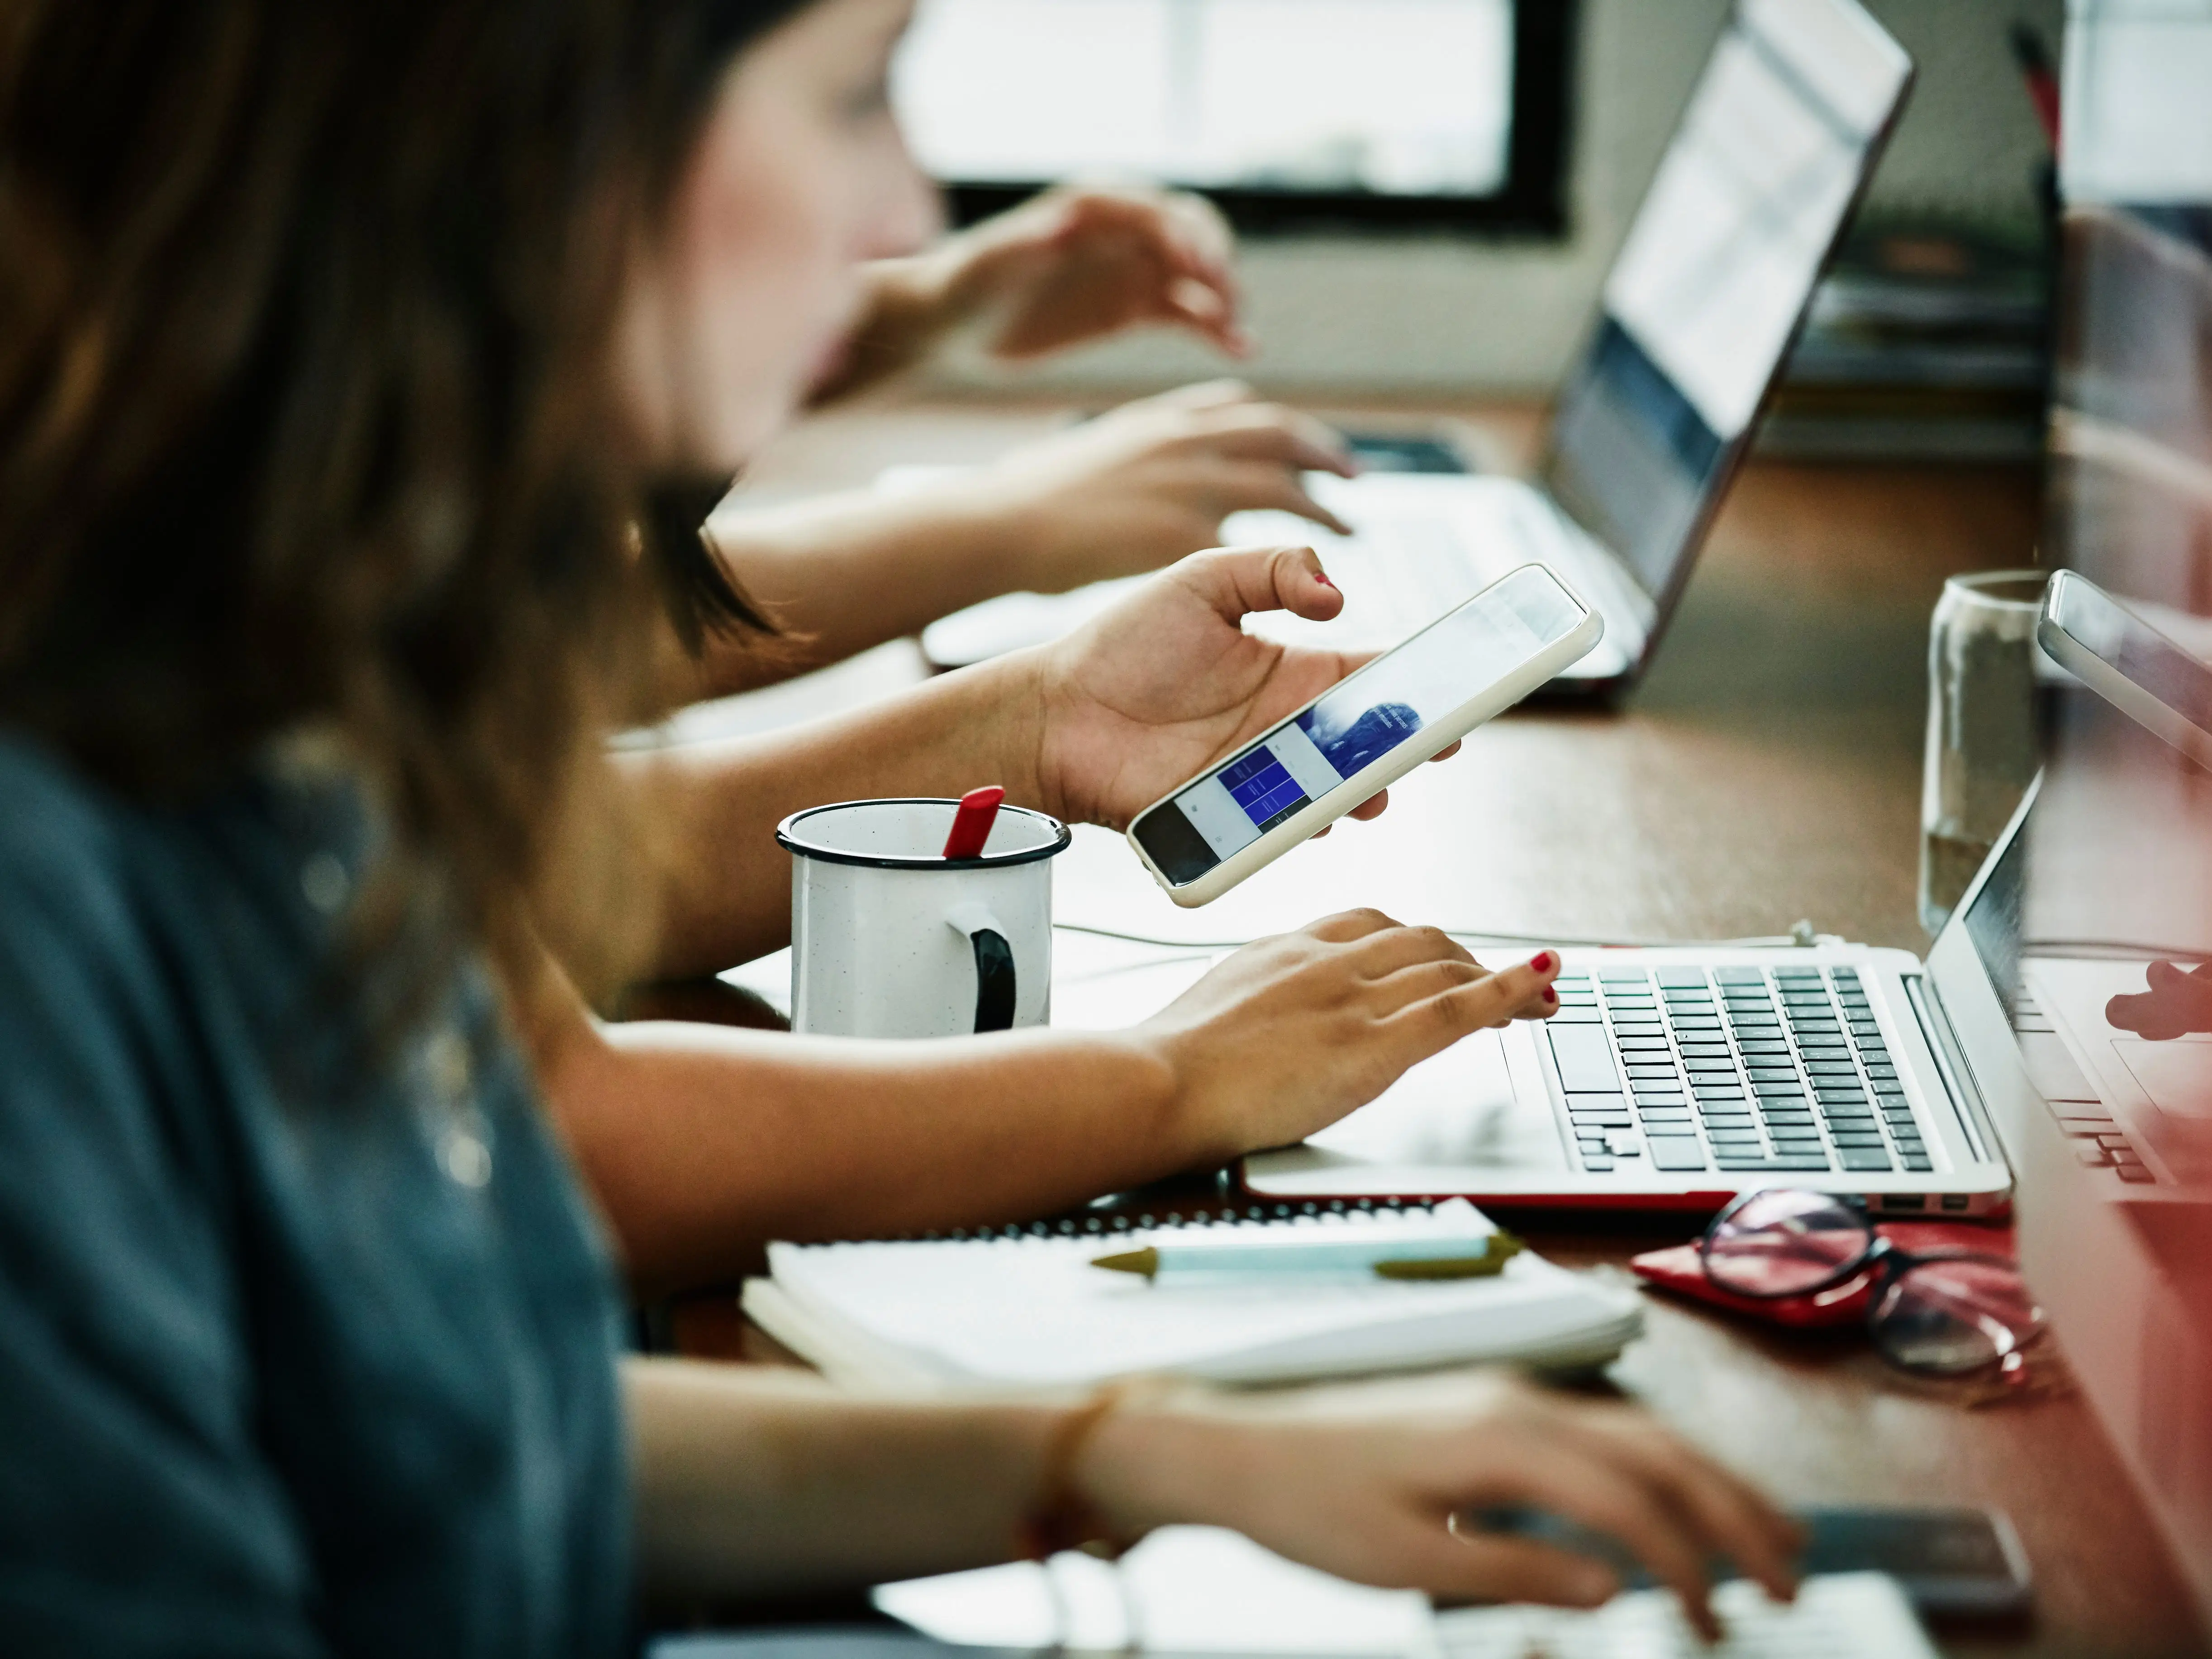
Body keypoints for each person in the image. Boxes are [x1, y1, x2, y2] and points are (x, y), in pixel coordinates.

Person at [0, 1, 1800, 1651]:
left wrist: (1145, 1456)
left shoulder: (239, 659)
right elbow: (566, 1153)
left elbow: (478, 1424)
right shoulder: (68, 846)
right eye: (855, 93)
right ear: (523, 127)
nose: (905, 212)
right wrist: (1159, 1086)